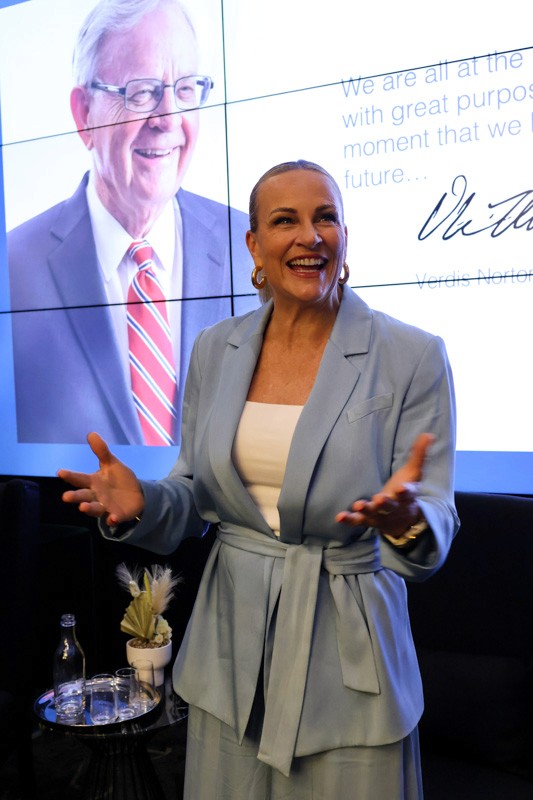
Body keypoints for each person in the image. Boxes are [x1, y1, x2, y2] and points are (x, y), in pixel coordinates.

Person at [59, 160, 459, 798]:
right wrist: (144, 504)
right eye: (285, 221)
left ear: (345, 234)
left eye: (326, 217)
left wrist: (406, 520)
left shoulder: (412, 355)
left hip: (349, 664)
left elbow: (433, 515)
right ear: (253, 246)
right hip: (231, 650)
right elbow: (194, 495)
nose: (311, 235)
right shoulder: (216, 349)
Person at [7, 0, 251, 445]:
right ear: (84, 116)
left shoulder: (250, 247)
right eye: (141, 92)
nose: (168, 120)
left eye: (185, 90)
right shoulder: (13, 266)